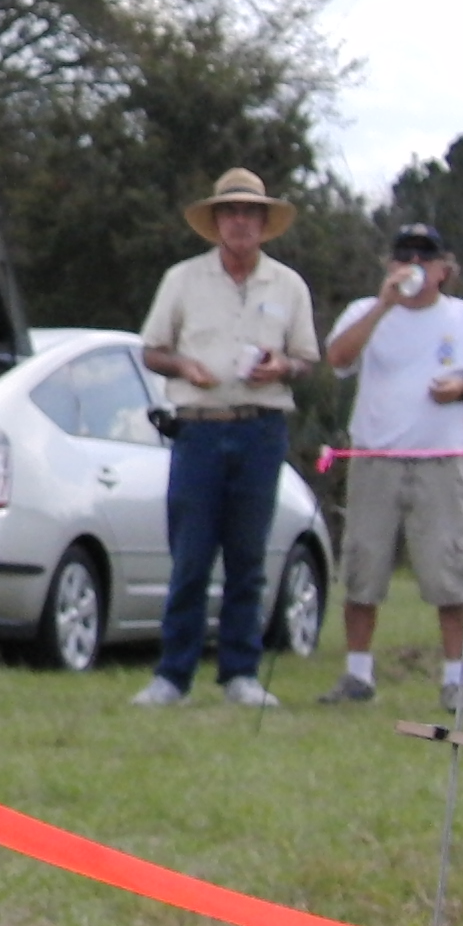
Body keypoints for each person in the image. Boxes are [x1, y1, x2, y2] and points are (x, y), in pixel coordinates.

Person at [133, 169, 321, 709]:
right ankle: (173, 676)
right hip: (199, 429)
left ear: (264, 222)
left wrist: (281, 366)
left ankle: (241, 673)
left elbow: (307, 359)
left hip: (261, 429)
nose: (240, 222)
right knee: (191, 557)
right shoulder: (182, 279)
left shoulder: (288, 285)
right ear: (216, 222)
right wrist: (185, 366)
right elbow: (152, 350)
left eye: (249, 213)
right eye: (230, 213)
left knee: (248, 557)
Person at [316, 224, 463, 712]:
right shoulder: (365, 311)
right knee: (363, 568)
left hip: (439, 462)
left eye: (425, 258)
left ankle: (455, 681)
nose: (414, 266)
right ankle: (358, 674)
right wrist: (383, 305)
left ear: (444, 269)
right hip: (374, 460)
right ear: (390, 265)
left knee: (449, 573)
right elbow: (337, 359)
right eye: (404, 257)